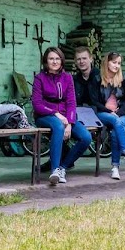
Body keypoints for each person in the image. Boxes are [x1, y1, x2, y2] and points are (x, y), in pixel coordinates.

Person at [33, 46, 92, 186]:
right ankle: (54, 170)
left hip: (66, 116)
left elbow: (71, 102)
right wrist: (56, 114)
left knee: (86, 137)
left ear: (61, 61)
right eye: (51, 59)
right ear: (46, 61)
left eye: (57, 58)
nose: (54, 62)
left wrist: (70, 123)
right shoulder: (39, 78)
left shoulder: (67, 77)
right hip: (45, 115)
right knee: (58, 126)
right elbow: (37, 104)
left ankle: (62, 168)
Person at [97, 52, 125, 180]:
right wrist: (109, 112)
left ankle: (115, 168)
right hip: (103, 113)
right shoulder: (98, 79)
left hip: (120, 114)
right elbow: (95, 101)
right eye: (114, 62)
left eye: (119, 63)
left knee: (115, 131)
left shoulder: (123, 79)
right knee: (116, 121)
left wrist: (118, 113)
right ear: (106, 62)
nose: (117, 65)